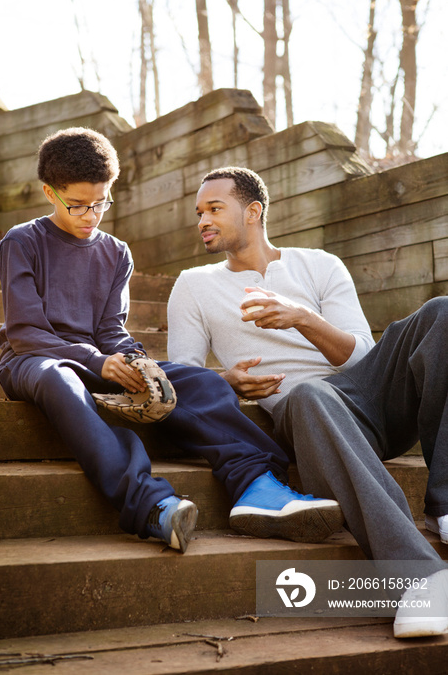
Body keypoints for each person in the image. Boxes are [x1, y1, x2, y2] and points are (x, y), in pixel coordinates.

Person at [0, 129, 344, 557]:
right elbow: (26, 332)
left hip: (99, 360)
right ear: (50, 193)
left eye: (101, 202)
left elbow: (110, 328)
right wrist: (95, 361)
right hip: (33, 361)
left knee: (202, 382)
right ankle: (151, 505)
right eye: (78, 205)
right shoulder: (22, 241)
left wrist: (136, 361)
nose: (91, 215)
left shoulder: (116, 252)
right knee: (61, 381)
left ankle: (257, 485)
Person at [167, 165, 448, 636]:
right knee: (309, 394)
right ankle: (419, 578)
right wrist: (228, 380)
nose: (203, 221)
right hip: (304, 414)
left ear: (253, 211)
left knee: (442, 313)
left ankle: (443, 505)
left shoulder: (319, 264)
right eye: (199, 212)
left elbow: (360, 353)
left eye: (214, 208)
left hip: (369, 395)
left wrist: (303, 318)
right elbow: (184, 377)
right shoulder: (193, 285)